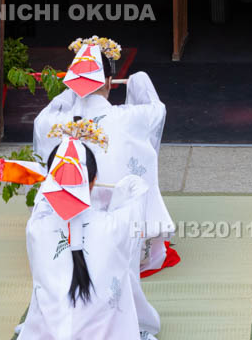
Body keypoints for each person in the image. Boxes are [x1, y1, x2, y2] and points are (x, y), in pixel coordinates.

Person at [32, 36, 176, 275]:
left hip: (68, 230)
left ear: (73, 84)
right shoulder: (128, 118)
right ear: (110, 81)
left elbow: (42, 119)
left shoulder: (53, 122)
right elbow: (157, 110)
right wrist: (139, 81)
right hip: (116, 232)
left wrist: (69, 96)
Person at [10, 126, 160, 340]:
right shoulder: (115, 225)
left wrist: (63, 161)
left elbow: (42, 200)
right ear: (94, 179)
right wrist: (126, 184)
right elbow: (140, 191)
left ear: (51, 183)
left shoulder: (38, 226)